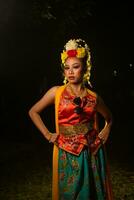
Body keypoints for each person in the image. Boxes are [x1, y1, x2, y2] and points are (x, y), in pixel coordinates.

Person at [28, 38, 113, 200]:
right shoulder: (56, 92)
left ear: (85, 69)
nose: (71, 72)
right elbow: (33, 112)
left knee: (92, 194)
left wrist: (106, 129)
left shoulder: (93, 97)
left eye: (76, 67)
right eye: (67, 68)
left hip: (92, 152)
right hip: (66, 152)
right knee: (70, 193)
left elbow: (109, 117)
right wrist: (48, 134)